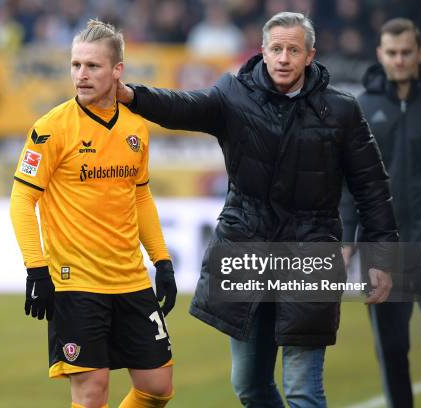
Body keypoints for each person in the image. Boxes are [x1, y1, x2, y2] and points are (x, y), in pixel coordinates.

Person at [116, 11, 398, 408]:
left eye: (293, 50)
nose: (284, 58)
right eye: (277, 49)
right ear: (263, 52)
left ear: (310, 55)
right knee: (249, 384)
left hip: (312, 249)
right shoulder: (232, 94)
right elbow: (184, 106)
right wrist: (133, 96)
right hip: (246, 247)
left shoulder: (342, 110)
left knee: (302, 386)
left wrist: (381, 255)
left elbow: (372, 186)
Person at [9, 20, 176, 408]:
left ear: (117, 70)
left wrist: (161, 261)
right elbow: (21, 200)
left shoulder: (136, 128)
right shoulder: (51, 128)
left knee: (157, 387)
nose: (81, 75)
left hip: (130, 279)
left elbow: (140, 197)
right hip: (75, 283)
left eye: (93, 66)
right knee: (91, 393)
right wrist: (36, 268)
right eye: (75, 65)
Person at [341, 18, 421, 408]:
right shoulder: (360, 108)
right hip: (382, 250)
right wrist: (345, 240)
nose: (400, 59)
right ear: (380, 55)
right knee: (391, 350)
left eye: (407, 52)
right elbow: (349, 182)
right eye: (392, 53)